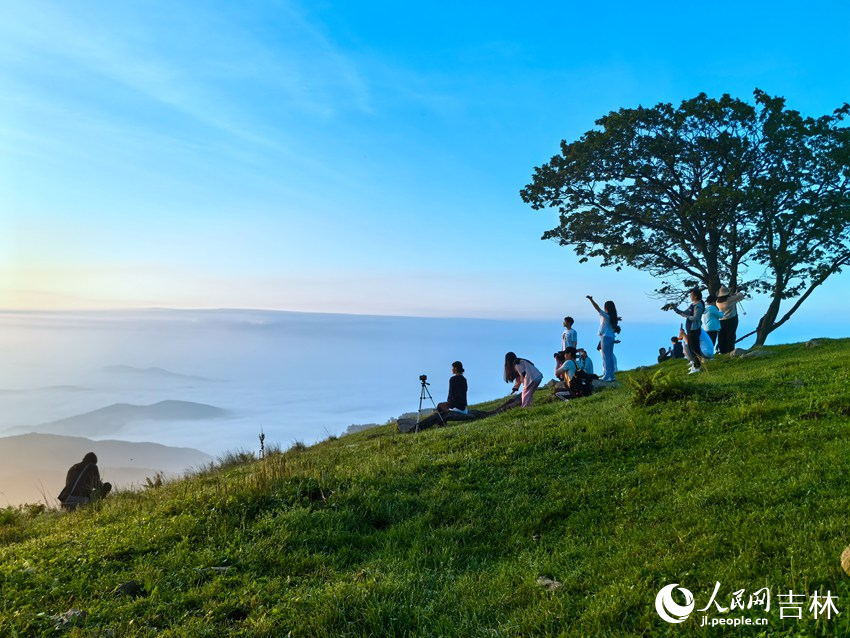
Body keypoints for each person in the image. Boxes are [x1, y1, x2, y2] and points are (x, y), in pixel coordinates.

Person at [587, 296, 620, 382]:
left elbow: (597, 308)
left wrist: (591, 300)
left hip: (605, 337)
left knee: (606, 357)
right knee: (610, 357)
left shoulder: (606, 316)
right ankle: (612, 375)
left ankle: (606, 376)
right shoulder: (612, 317)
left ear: (607, 308)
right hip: (611, 337)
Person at [672, 289, 705, 373]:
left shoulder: (698, 305)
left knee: (694, 348)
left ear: (696, 296)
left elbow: (696, 318)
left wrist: (686, 316)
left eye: (691, 295)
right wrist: (675, 309)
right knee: (691, 347)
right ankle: (695, 365)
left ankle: (697, 366)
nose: (690, 297)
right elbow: (683, 312)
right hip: (690, 329)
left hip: (694, 329)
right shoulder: (692, 305)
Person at [716, 285, 746, 354]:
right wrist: (737, 292)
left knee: (722, 336)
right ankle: (730, 351)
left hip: (721, 320)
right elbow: (741, 295)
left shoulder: (718, 301)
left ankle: (722, 351)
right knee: (730, 336)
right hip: (731, 319)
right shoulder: (729, 300)